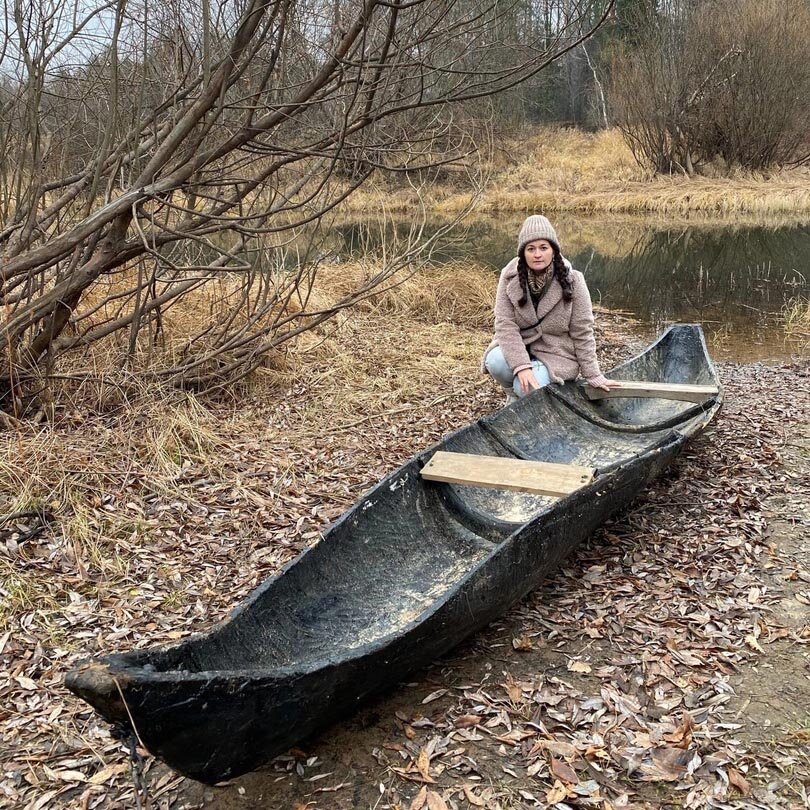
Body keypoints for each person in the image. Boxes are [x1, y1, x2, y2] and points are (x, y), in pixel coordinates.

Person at [483, 215, 619, 403]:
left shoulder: (574, 280)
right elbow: (505, 324)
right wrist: (522, 366)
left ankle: (521, 394)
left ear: (553, 250)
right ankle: (513, 397)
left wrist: (592, 374)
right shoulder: (508, 277)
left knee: (525, 387)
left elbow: (582, 330)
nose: (537, 254)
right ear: (523, 253)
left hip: (556, 352)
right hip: (521, 345)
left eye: (543, 248)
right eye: (531, 249)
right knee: (495, 361)